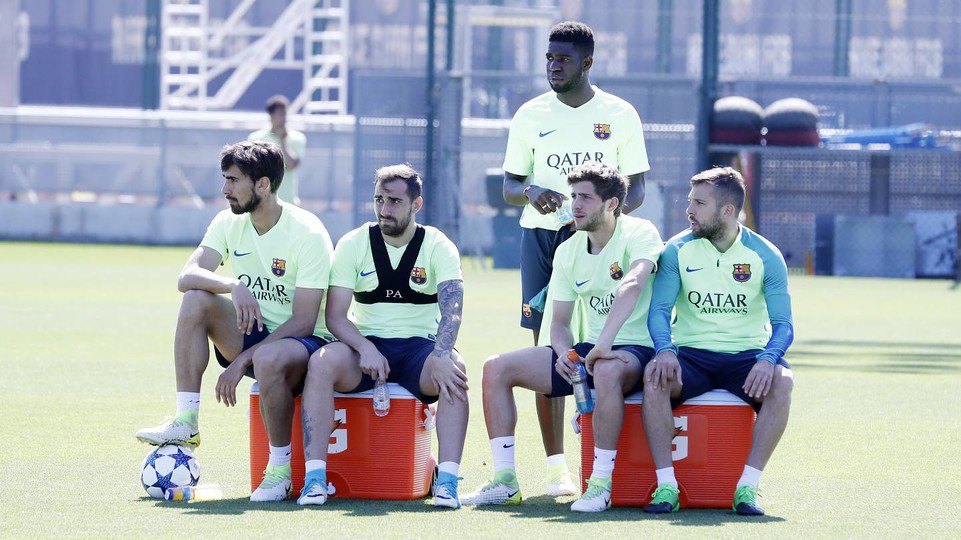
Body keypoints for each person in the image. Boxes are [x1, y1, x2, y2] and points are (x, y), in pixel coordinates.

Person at [135, 140, 334, 502]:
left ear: (263, 185)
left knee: (267, 357)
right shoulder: (229, 221)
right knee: (196, 298)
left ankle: (280, 473)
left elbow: (305, 321)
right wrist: (232, 285)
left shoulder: (307, 232)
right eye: (225, 179)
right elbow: (187, 275)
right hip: (253, 331)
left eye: (233, 180)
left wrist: (242, 361)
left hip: (306, 343)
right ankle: (186, 421)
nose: (225, 189)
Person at [500, 21, 651, 494]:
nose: (554, 66)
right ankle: (556, 471)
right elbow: (509, 187)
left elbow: (637, 189)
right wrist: (530, 192)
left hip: (600, 243)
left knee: (605, 341)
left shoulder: (620, 114)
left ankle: (604, 457)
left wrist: (599, 222)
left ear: (587, 63)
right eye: (549, 58)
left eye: (563, 59)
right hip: (542, 241)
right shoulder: (529, 114)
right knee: (549, 352)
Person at [463, 162, 662, 511]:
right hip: (592, 350)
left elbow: (631, 285)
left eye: (585, 197)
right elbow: (558, 323)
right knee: (496, 368)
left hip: (637, 347)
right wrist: (565, 354)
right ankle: (505, 482)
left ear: (612, 204)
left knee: (606, 370)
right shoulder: (568, 250)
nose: (575, 205)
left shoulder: (640, 232)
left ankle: (600, 485)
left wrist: (602, 346)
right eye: (573, 196)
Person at [296, 164, 468, 509]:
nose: (384, 209)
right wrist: (364, 347)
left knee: (454, 371)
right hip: (366, 345)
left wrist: (441, 354)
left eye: (394, 201)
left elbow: (452, 310)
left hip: (420, 348)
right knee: (321, 363)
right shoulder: (353, 243)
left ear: (416, 204)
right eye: (378, 200)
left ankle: (447, 483)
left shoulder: (437, 245)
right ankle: (314, 480)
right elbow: (335, 316)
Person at [642, 167, 795, 516]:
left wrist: (768, 358)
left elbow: (784, 324)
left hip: (746, 356)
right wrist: (664, 350)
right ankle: (666, 486)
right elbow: (659, 311)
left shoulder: (765, 255)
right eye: (690, 201)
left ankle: (747, 488)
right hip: (691, 355)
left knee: (783, 381)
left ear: (727, 211)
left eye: (699, 203)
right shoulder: (676, 249)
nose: (689, 210)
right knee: (654, 376)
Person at [249, 95, 306, 205]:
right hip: (262, 201)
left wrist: (282, 140)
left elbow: (291, 164)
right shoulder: (256, 138)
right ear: (271, 115)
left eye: (285, 113)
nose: (284, 118)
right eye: (280, 114)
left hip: (288, 201)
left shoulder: (297, 138)